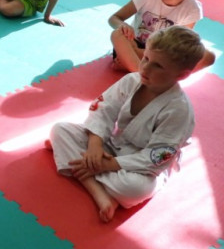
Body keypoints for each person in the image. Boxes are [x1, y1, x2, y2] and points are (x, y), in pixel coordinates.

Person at [49, 25, 205, 223]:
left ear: (181, 75)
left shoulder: (179, 110)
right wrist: (95, 145)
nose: (145, 68)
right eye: (145, 58)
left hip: (142, 165)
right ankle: (97, 188)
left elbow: (157, 156)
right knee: (60, 129)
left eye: (158, 66)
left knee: (136, 188)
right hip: (111, 146)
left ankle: (82, 169)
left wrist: (108, 164)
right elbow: (103, 109)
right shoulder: (132, 80)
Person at [109, 0, 215, 73]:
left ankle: (133, 66)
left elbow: (182, 42)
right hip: (134, 44)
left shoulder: (192, 9)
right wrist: (123, 26)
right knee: (117, 34)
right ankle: (144, 74)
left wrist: (147, 53)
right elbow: (114, 18)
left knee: (208, 56)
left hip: (161, 52)